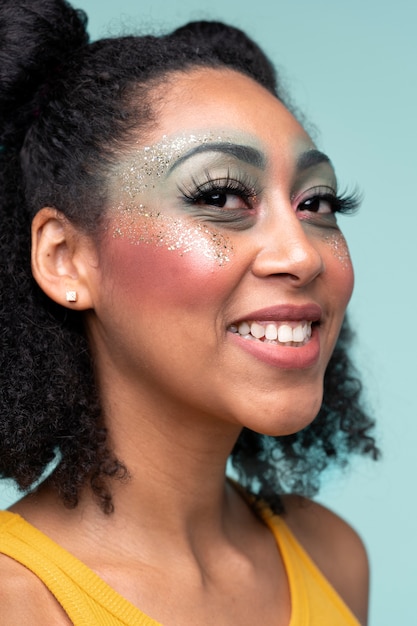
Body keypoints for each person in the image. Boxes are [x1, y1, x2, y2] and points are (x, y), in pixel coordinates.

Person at [0, 1, 379, 624]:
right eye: (221, 195)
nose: (301, 254)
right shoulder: (17, 604)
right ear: (66, 258)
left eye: (317, 203)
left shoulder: (333, 556)